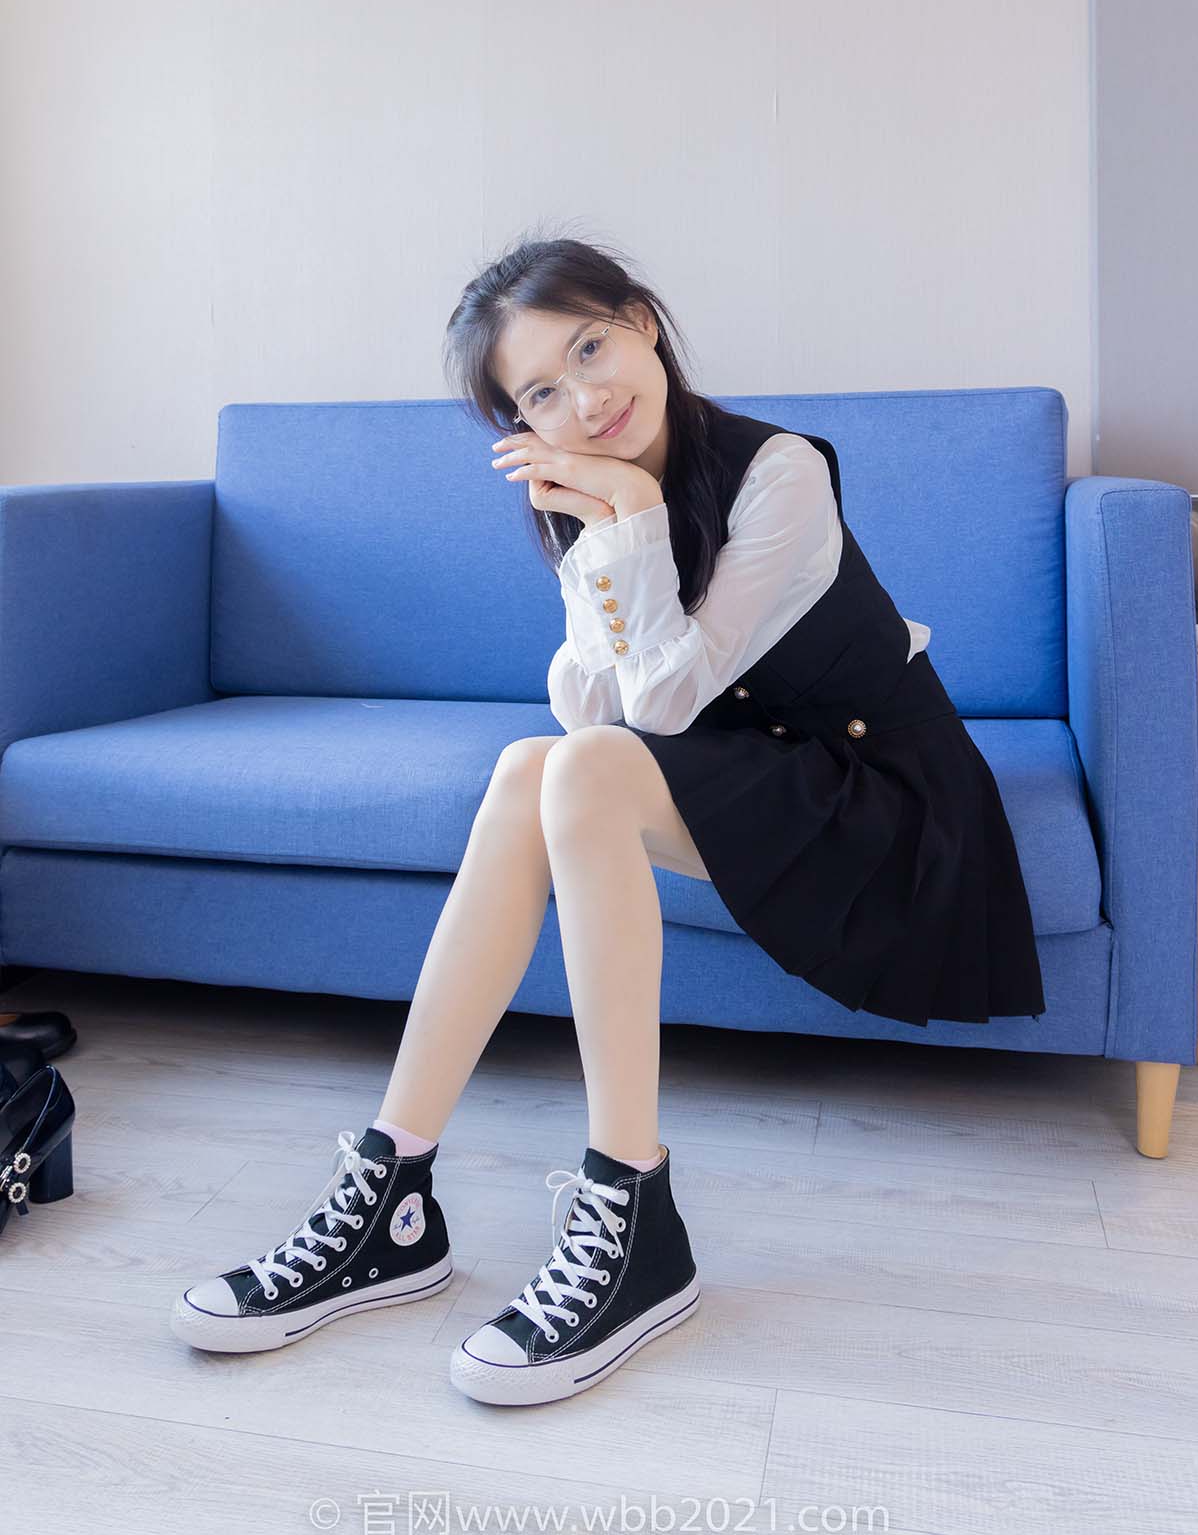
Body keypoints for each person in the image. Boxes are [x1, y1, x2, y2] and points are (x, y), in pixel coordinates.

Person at [171, 232, 1045, 1405]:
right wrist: (599, 534)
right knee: (532, 768)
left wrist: (631, 514)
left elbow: (664, 706)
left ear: (641, 320)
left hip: (887, 800)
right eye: (541, 391)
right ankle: (393, 1186)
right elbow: (595, 707)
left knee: (577, 771)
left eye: (590, 347)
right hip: (767, 772)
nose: (585, 399)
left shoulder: (780, 473)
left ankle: (632, 1210)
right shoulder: (585, 493)